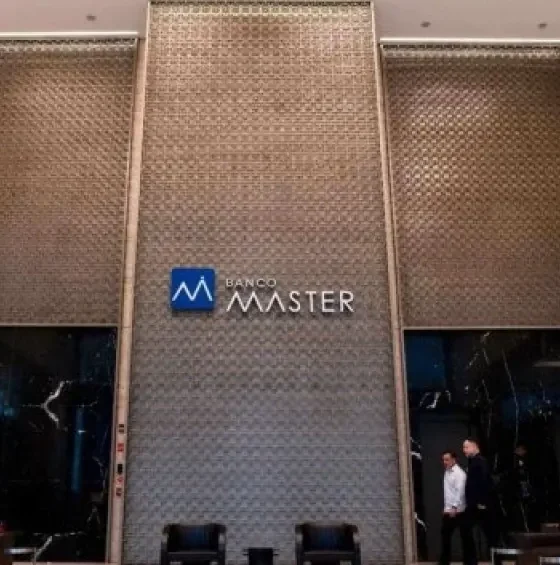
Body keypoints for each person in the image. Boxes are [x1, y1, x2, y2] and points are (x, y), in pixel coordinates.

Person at [463, 438, 498, 565]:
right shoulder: (474, 462)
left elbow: (484, 482)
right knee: (469, 530)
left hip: (480, 505)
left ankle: (495, 560)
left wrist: (481, 502)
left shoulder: (480, 462)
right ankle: (472, 561)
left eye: (466, 447)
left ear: (475, 446)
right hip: (475, 504)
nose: (464, 450)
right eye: (463, 447)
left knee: (489, 534)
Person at [439, 450, 470, 565]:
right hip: (449, 510)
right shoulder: (447, 472)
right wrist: (446, 508)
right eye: (443, 460)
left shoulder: (459, 473)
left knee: (465, 537)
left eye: (447, 460)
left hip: (459, 511)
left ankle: (469, 562)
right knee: (445, 536)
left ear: (454, 459)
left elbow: (460, 491)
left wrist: (454, 507)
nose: (444, 462)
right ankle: (444, 562)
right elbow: (449, 492)